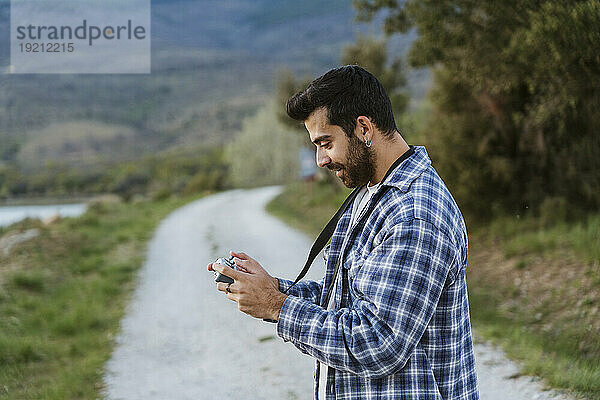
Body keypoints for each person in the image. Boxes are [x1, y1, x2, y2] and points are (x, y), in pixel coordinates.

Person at [208, 65, 479, 400]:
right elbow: (350, 302)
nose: (320, 159)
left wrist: (277, 306)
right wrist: (272, 288)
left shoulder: (413, 215)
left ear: (363, 128)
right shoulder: (375, 192)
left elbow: (378, 343)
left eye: (326, 142)